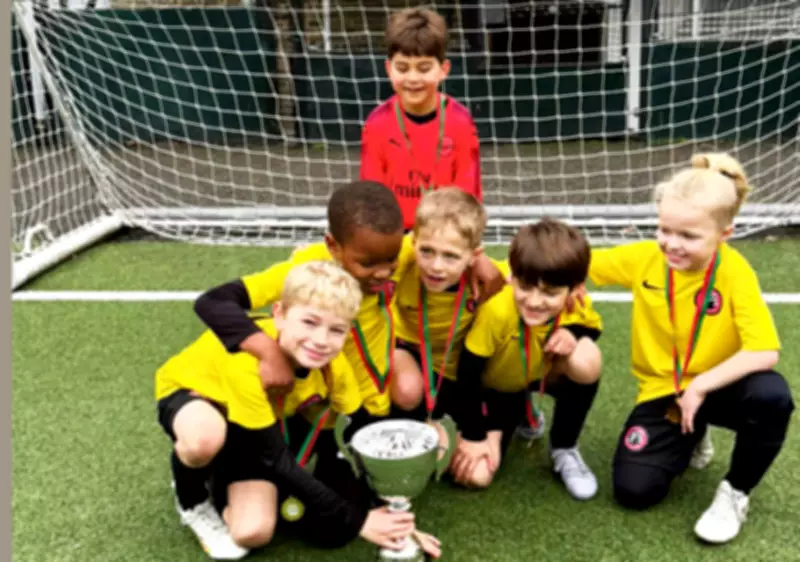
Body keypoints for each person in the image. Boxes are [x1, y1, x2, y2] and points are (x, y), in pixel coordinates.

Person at [155, 261, 441, 559]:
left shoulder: (335, 367)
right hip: (198, 401)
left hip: (258, 423)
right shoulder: (246, 365)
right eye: (309, 322)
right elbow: (274, 458)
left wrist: (390, 510)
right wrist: (359, 521)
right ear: (279, 314)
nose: (320, 340)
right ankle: (192, 496)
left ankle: (224, 475)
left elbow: (359, 434)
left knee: (251, 532)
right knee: (204, 439)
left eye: (336, 330)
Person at [589, 153, 795, 544]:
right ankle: (692, 432)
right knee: (634, 491)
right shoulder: (644, 259)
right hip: (665, 390)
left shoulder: (735, 273)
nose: (671, 244)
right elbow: (572, 262)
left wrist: (700, 387)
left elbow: (764, 350)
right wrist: (493, 270)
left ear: (724, 234)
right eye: (665, 229)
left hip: (720, 388)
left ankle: (735, 491)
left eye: (688, 236)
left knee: (771, 396)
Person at [193, 180, 504, 420]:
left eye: (391, 260)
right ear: (333, 247)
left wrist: (481, 261)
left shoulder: (402, 251)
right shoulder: (309, 267)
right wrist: (268, 354)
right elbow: (214, 302)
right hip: (325, 387)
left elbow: (444, 242)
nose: (383, 274)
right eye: (368, 264)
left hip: (374, 395)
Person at [447, 219, 603, 500]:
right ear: (513, 277)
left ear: (575, 288)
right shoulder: (497, 311)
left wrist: (572, 331)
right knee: (475, 476)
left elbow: (593, 326)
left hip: (540, 371)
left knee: (586, 360)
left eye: (550, 293)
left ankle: (564, 448)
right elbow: (468, 373)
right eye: (526, 287)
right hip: (496, 389)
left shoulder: (575, 301)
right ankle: (520, 410)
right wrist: (473, 434)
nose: (534, 301)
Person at [360, 7, 482, 230]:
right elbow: (372, 197)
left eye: (424, 68)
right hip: (393, 236)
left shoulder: (460, 122)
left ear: (443, 69)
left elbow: (468, 198)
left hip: (446, 235)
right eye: (403, 68)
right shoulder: (377, 124)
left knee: (490, 267)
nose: (413, 78)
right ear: (388, 69)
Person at [388, 187, 488, 424]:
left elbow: (534, 278)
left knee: (464, 459)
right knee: (407, 389)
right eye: (427, 251)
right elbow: (349, 252)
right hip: (408, 350)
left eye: (451, 256)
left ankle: (522, 411)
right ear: (413, 243)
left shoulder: (488, 281)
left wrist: (573, 285)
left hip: (458, 366)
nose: (436, 266)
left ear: (474, 256)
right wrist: (302, 256)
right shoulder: (401, 258)